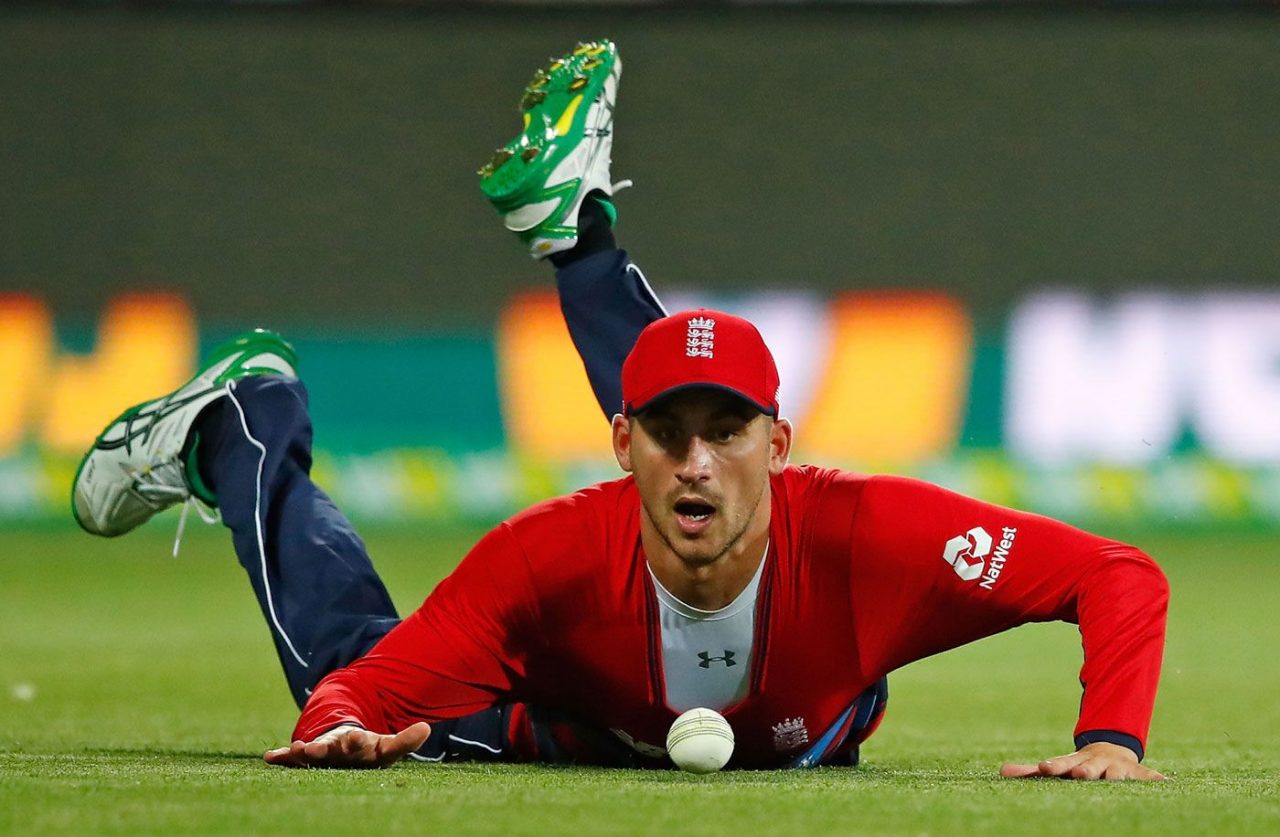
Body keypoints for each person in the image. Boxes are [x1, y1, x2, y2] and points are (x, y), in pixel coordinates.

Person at [71, 40, 1168, 781]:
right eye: (662, 433)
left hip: (790, 683)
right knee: (342, 660)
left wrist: (1110, 738)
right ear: (615, 441)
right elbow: (356, 693)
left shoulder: (871, 538)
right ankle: (242, 428)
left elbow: (1114, 575)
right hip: (553, 726)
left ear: (779, 444)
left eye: (728, 431)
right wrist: (341, 728)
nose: (695, 460)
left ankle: (577, 238)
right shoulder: (544, 557)